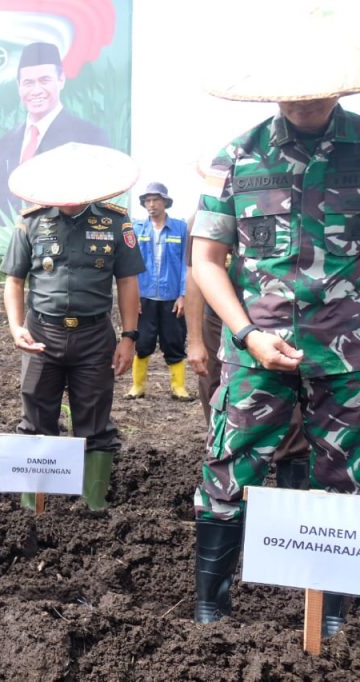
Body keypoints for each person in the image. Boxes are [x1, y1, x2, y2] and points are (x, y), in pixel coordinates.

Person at [190, 28, 360, 636]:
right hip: (257, 352)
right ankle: (210, 611)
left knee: (344, 482)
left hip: (347, 358)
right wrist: (245, 336)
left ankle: (331, 620)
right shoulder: (238, 157)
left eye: (317, 91)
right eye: (293, 92)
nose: (305, 102)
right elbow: (207, 260)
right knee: (227, 473)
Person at [1, 143, 144, 512]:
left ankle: (93, 507)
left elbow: (127, 282)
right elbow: (14, 280)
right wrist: (15, 327)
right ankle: (34, 509)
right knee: (36, 417)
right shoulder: (31, 222)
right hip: (41, 335)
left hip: (95, 337)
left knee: (95, 420)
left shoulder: (115, 222)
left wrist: (129, 337)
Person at [184, 226, 309, 489]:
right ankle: (225, 464)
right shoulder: (205, 218)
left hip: (275, 321)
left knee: (291, 409)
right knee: (219, 393)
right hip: (220, 320)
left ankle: (291, 481)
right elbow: (196, 274)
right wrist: (195, 340)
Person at [0, 41, 109, 225]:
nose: (36, 91)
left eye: (44, 80)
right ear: (19, 86)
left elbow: (98, 204)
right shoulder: (6, 142)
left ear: (61, 80)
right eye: (28, 82)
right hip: (13, 240)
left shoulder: (89, 136)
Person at [125, 182, 191, 400]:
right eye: (147, 201)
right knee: (142, 342)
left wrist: (183, 295)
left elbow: (186, 264)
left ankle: (178, 388)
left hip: (172, 298)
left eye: (155, 200)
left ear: (165, 202)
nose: (151, 205)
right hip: (144, 298)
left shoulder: (180, 228)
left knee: (174, 341)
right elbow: (131, 266)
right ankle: (138, 386)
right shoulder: (137, 229)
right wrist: (133, 297)